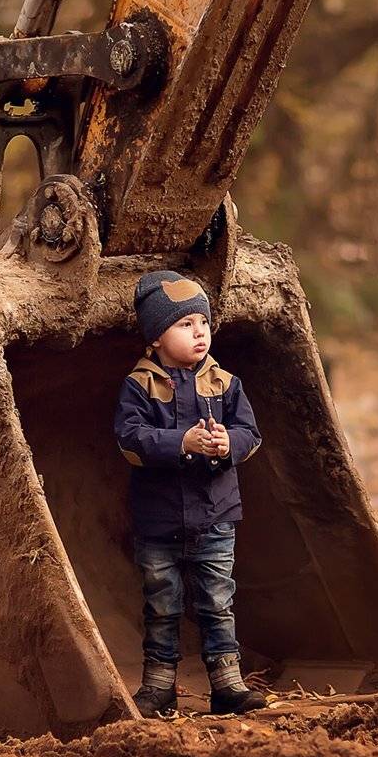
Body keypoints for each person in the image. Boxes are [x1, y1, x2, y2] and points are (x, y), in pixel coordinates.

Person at [114, 270, 266, 717]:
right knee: (162, 603)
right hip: (159, 520)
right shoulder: (139, 386)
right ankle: (159, 686)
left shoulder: (225, 383)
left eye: (203, 322)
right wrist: (183, 441)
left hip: (216, 516)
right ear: (156, 337)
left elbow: (250, 433)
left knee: (218, 601)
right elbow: (130, 440)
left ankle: (227, 684)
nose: (199, 332)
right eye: (185, 325)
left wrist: (228, 446)